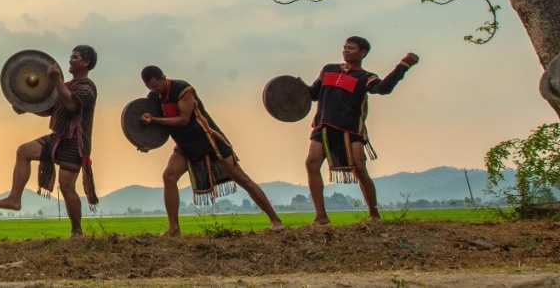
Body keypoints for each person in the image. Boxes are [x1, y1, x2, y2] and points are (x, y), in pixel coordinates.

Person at [138, 66, 284, 236]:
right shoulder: (154, 98)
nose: (154, 90)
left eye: (156, 86)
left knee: (240, 177)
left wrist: (154, 119)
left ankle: (275, 220)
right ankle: (174, 229)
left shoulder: (183, 89)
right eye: (150, 88)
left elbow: (183, 120)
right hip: (185, 145)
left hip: (208, 139)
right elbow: (158, 128)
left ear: (163, 78)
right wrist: (147, 143)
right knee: (168, 176)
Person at [304, 36, 419, 225]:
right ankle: (321, 216)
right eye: (344, 47)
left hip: (350, 129)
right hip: (323, 126)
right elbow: (313, 94)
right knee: (311, 164)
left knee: (359, 168)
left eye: (351, 48)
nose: (346, 50)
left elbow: (383, 88)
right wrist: (295, 87)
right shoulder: (328, 70)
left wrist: (403, 66)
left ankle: (374, 215)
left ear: (362, 52)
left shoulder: (365, 77)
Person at [0, 45, 99, 239]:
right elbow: (51, 108)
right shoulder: (67, 86)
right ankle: (15, 198)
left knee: (67, 187)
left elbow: (70, 104)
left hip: (75, 141)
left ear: (86, 62)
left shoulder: (87, 87)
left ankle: (77, 231)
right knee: (23, 151)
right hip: (57, 137)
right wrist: (27, 106)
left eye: (74, 57)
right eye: (70, 56)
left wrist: (57, 79)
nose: (70, 60)